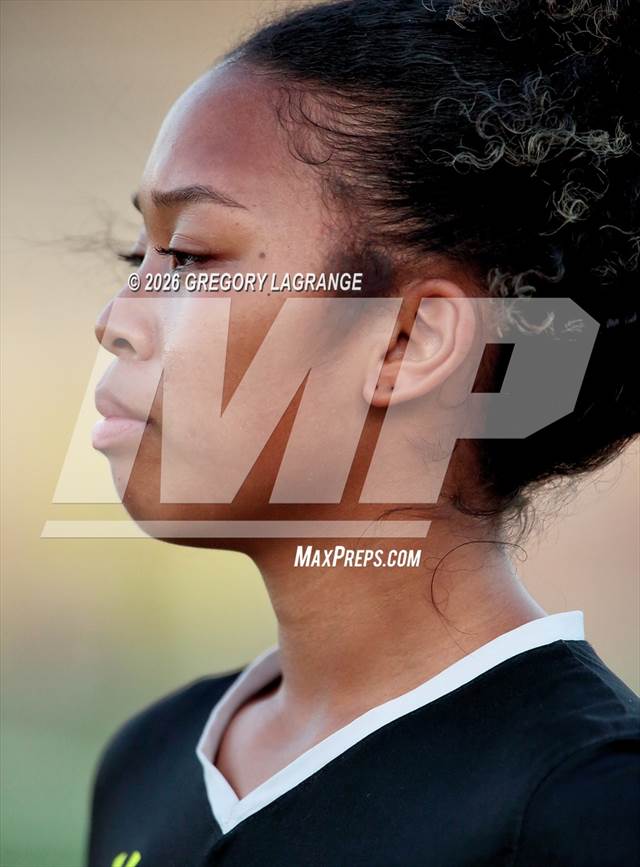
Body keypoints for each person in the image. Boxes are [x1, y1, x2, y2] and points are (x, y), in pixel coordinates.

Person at [87, 1, 640, 865]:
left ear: (408, 340)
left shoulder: (589, 808)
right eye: (138, 259)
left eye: (189, 257)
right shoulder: (147, 762)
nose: (115, 320)